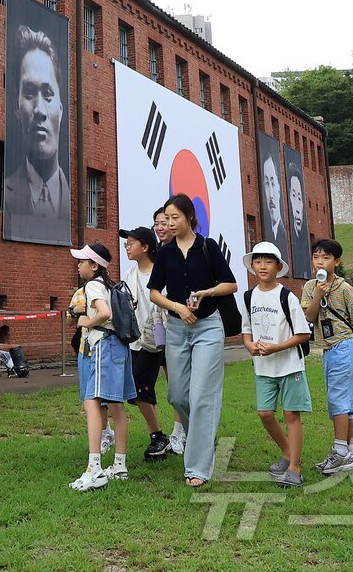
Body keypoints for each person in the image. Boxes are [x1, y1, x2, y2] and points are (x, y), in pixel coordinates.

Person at [148, 193, 239, 487]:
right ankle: (202, 436)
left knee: (201, 395)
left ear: (190, 217)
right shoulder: (165, 252)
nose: (170, 223)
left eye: (175, 218)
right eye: (167, 219)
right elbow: (154, 292)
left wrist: (206, 293)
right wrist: (177, 307)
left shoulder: (207, 247)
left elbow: (231, 284)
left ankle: (198, 467)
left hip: (208, 327)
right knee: (177, 394)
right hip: (176, 328)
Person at [239, 241, 312, 487]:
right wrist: (249, 345)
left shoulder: (287, 296)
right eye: (257, 261)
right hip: (263, 367)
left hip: (289, 365)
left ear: (278, 266)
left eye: (268, 261)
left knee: (291, 415)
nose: (262, 266)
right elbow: (246, 331)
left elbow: (303, 334)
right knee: (265, 413)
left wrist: (276, 348)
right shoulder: (249, 297)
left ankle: (295, 467)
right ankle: (288, 451)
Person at [67, 242, 133, 490]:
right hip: (118, 346)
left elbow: (104, 313)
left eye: (82, 262)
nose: (79, 265)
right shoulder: (110, 284)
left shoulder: (93, 285)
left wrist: (87, 322)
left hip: (103, 346)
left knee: (91, 401)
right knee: (116, 404)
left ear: (94, 265)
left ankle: (94, 468)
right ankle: (119, 465)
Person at [303, 238, 353, 474]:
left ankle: (340, 451)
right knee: (341, 401)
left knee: (338, 401)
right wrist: (317, 295)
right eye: (316, 257)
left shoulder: (344, 288)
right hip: (329, 349)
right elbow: (309, 318)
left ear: (336, 261)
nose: (320, 262)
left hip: (345, 346)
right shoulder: (310, 287)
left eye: (326, 257)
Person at [3, 26, 70, 244]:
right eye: (29, 93)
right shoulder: (4, 192)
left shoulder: (75, 201)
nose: (39, 109)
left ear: (60, 109)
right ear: (16, 107)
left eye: (48, 95)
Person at [119, 226, 172, 462]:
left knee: (176, 390)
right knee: (140, 390)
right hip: (139, 339)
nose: (127, 247)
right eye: (126, 243)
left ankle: (175, 435)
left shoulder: (162, 273)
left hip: (165, 336)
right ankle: (158, 436)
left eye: (131, 243)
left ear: (145, 247)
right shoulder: (129, 275)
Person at [151, 204, 187, 455]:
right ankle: (172, 431)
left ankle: (180, 431)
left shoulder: (183, 252)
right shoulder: (155, 253)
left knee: (179, 380)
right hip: (157, 326)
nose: (162, 227)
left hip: (179, 323)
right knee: (168, 380)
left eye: (166, 222)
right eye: (158, 223)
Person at [260, 151, 290, 262]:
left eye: (273, 183)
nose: (271, 195)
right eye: (267, 184)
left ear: (279, 188)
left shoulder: (284, 234)